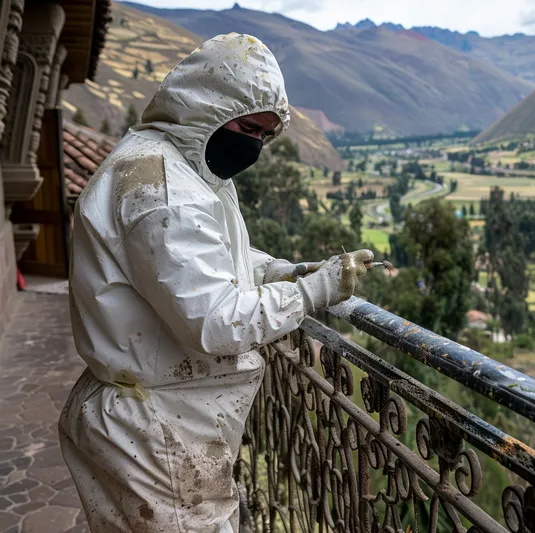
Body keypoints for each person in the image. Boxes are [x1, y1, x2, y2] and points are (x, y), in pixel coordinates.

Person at [58, 33, 373, 532]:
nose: (255, 147)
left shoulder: (178, 167)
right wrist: (317, 290)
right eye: (249, 128)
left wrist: (283, 272)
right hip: (155, 428)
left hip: (159, 417)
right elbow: (215, 320)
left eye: (266, 136)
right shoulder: (165, 191)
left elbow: (217, 254)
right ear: (208, 105)